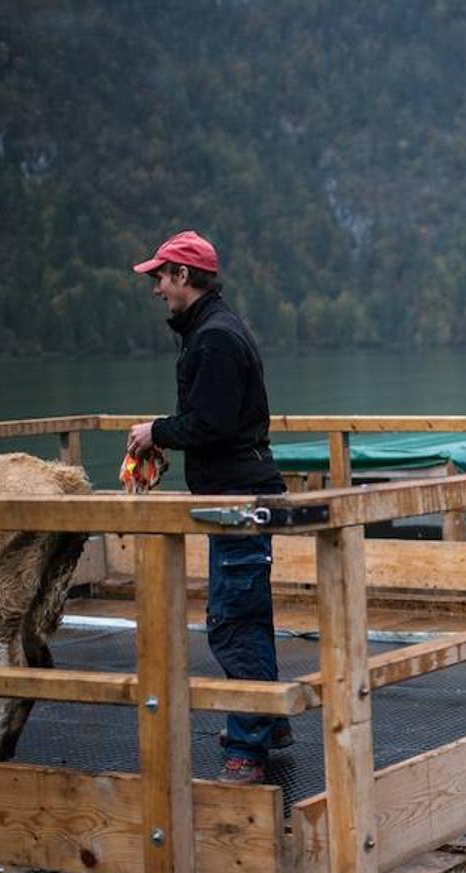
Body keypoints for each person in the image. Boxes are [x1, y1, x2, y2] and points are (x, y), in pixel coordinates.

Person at [127, 230, 290, 785]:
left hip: (239, 500)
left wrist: (157, 432)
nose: (156, 289)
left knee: (232, 622)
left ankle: (248, 748)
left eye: (161, 277)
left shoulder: (214, 339)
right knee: (249, 616)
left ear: (185, 277)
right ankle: (269, 722)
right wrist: (167, 434)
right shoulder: (211, 330)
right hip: (239, 493)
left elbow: (211, 424)